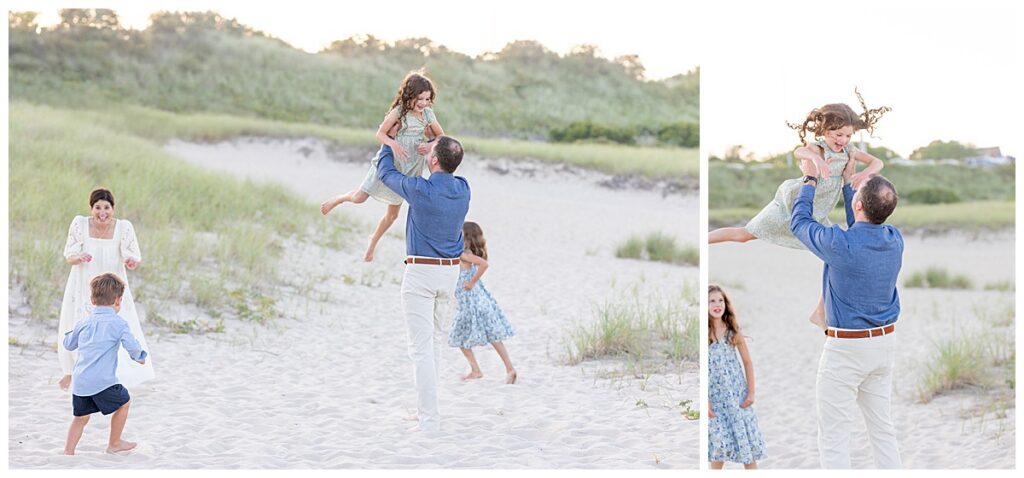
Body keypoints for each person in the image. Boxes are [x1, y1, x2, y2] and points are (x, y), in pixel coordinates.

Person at [709, 89, 890, 328]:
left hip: (815, 213)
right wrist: (816, 162)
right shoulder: (819, 148)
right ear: (825, 131)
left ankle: (819, 313)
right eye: (838, 134)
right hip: (792, 204)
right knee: (744, 235)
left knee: (835, 255)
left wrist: (863, 174)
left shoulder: (849, 151)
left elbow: (878, 162)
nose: (843, 139)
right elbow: (800, 152)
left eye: (847, 134)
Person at [790, 162, 903, 469]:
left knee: (834, 437)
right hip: (884, 347)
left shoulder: (840, 244)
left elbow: (798, 223)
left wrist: (810, 179)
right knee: (883, 430)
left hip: (846, 351)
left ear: (857, 205)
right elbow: (862, 225)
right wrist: (848, 185)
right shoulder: (894, 239)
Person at [377, 135, 469, 433]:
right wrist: (436, 145)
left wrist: (389, 140)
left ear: (432, 160)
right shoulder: (464, 189)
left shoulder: (420, 190)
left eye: (430, 151)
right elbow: (447, 151)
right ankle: (427, 412)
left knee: (420, 349)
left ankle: (430, 420)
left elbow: (385, 173)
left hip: (421, 274)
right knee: (433, 345)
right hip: (450, 274)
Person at [320, 71, 445, 262]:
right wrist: (393, 144)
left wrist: (429, 145)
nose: (423, 103)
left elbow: (441, 136)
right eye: (420, 98)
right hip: (390, 161)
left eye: (427, 99)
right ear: (409, 95)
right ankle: (340, 198)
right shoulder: (399, 112)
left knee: (393, 215)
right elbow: (380, 134)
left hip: (410, 166)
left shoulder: (427, 114)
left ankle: (372, 242)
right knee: (360, 197)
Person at [58, 188, 154, 392]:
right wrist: (80, 257)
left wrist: (130, 262)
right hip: (84, 283)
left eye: (107, 207)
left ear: (113, 208)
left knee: (117, 326)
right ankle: (72, 371)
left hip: (112, 284)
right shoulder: (80, 224)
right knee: (80, 325)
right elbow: (69, 255)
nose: (102, 212)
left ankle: (118, 375)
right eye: (98, 207)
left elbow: (134, 256)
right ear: (91, 208)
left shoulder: (124, 227)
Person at [63, 273, 148, 455]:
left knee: (80, 418)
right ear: (118, 300)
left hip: (81, 383)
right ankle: (114, 443)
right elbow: (131, 345)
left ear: (92, 299)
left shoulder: (84, 322)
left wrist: (73, 330)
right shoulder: (119, 323)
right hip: (102, 382)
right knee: (124, 402)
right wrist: (139, 356)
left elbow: (69, 344)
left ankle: (68, 451)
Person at [447, 221, 517, 384]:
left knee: (458, 337)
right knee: (493, 336)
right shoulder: (467, 253)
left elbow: (484, 264)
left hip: (471, 304)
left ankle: (476, 370)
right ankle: (509, 368)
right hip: (479, 300)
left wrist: (471, 281)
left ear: (466, 238)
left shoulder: (463, 254)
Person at [707, 285, 765, 469]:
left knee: (747, 448)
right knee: (719, 448)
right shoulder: (704, 334)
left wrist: (751, 393)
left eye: (720, 300)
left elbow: (748, 362)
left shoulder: (733, 332)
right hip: (716, 400)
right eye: (712, 301)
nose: (717, 304)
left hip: (736, 397)